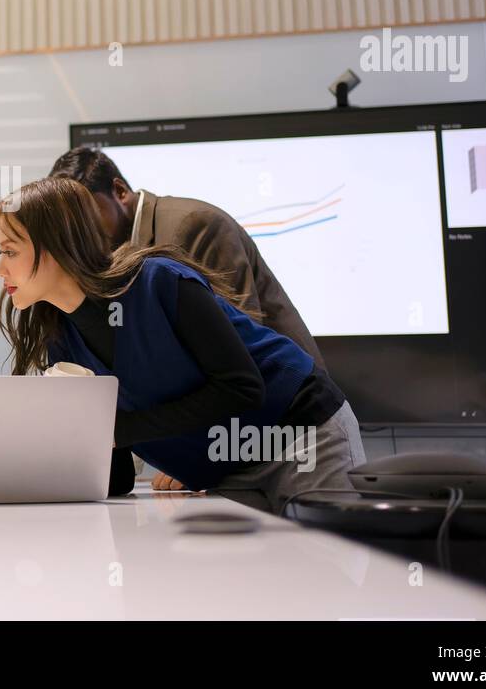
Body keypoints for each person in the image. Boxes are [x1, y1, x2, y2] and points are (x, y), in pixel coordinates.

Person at [0, 177, 365, 515]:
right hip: (225, 470)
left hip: (302, 435)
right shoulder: (63, 343)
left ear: (55, 247)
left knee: (335, 583)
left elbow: (242, 388)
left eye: (9, 252)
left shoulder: (160, 282)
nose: (0, 271)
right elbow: (113, 476)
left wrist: (119, 429)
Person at [50, 147, 323, 491]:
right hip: (229, 437)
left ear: (120, 192)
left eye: (91, 214)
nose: (84, 231)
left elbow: (236, 335)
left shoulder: (188, 227)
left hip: (286, 416)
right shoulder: (92, 284)